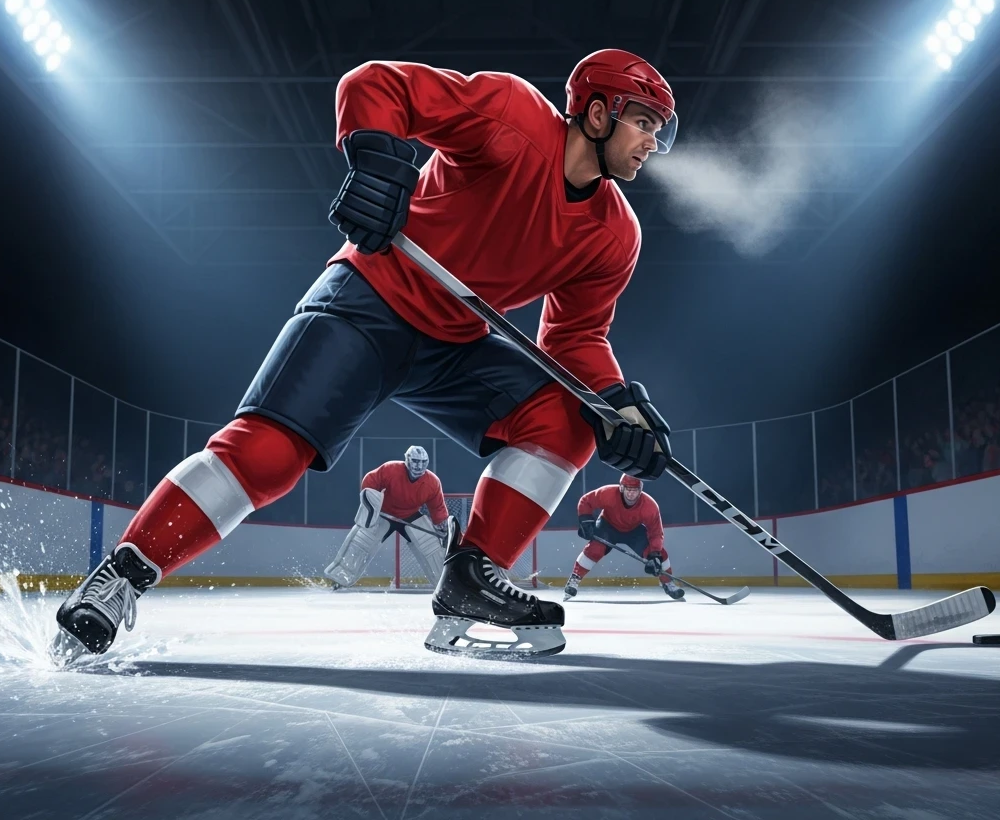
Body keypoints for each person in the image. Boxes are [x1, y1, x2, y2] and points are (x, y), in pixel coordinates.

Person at [54, 48, 678, 661]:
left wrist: (614, 403)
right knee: (267, 456)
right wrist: (378, 162)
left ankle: (471, 581)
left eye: (658, 129)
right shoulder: (511, 115)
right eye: (643, 122)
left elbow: (573, 338)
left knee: (569, 418)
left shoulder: (615, 235)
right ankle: (119, 577)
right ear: (598, 114)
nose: (653, 142)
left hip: (454, 343)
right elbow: (376, 84)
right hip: (371, 299)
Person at [324, 445, 451, 588]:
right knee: (362, 541)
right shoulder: (390, 469)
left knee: (431, 546)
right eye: (415, 461)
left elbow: (437, 507)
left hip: (411, 516)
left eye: (423, 462)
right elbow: (370, 481)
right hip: (385, 513)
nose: (419, 466)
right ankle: (339, 578)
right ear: (407, 459)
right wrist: (372, 505)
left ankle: (445, 585)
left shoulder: (432, 482)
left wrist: (442, 526)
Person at [565, 474, 684, 601]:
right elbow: (586, 501)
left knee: (660, 555)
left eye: (635, 490)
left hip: (634, 531)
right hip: (607, 526)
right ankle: (574, 579)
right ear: (621, 488)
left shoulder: (650, 506)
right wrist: (585, 521)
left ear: (640, 490)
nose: (631, 494)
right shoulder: (608, 493)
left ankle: (668, 582)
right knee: (595, 549)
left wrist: (654, 554)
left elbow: (656, 532)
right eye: (628, 489)